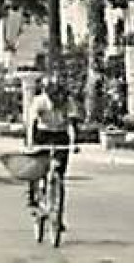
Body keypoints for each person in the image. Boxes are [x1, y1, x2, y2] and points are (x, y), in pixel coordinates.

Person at [25, 77, 77, 209]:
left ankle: (58, 210)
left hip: (60, 134)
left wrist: (74, 142)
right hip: (43, 134)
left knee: (59, 171)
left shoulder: (67, 102)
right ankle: (32, 194)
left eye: (59, 93)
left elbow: (71, 123)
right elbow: (32, 123)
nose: (57, 97)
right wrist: (30, 142)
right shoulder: (40, 101)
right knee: (37, 166)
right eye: (54, 93)